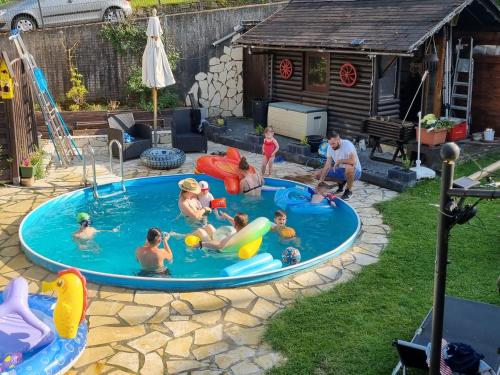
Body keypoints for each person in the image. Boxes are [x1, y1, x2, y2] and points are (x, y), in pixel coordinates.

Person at [314, 131, 362, 201]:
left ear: (338, 140)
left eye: (333, 144)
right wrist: (321, 181)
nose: (332, 146)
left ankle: (348, 191)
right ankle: (341, 182)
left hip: (355, 171)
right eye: (330, 144)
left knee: (349, 167)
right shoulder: (330, 148)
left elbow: (353, 161)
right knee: (317, 175)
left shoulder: (348, 145)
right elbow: (327, 165)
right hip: (341, 170)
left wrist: (340, 161)